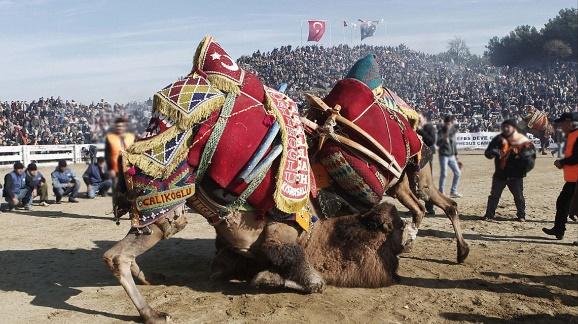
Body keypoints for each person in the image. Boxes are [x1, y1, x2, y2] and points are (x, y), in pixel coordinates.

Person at [483, 120, 536, 222]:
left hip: (516, 175)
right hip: (500, 174)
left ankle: (521, 215)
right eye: (504, 127)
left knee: (519, 196)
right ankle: (489, 215)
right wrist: (493, 152)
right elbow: (487, 153)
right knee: (494, 196)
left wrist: (523, 162)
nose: (506, 129)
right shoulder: (498, 139)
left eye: (509, 127)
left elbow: (530, 158)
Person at [543, 112, 578, 240]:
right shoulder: (572, 135)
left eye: (562, 123)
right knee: (563, 202)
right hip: (573, 180)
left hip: (576, 180)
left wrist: (562, 162)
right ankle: (559, 230)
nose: (560, 126)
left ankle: (559, 229)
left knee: (566, 203)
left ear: (569, 122)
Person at [437, 115, 462, 198]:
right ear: (445, 123)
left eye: (450, 123)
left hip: (451, 156)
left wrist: (456, 155)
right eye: (447, 123)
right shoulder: (441, 131)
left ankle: (453, 191)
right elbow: (438, 143)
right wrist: (444, 138)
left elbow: (454, 144)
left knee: (457, 173)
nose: (449, 125)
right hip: (443, 155)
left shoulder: (453, 131)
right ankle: (441, 192)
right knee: (444, 174)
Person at [417, 113, 437, 214]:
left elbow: (431, 141)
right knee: (414, 182)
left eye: (419, 118)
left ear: (425, 118)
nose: (418, 119)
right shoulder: (415, 127)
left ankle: (430, 208)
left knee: (426, 183)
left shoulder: (429, 127)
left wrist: (420, 130)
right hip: (417, 156)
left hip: (427, 157)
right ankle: (414, 207)